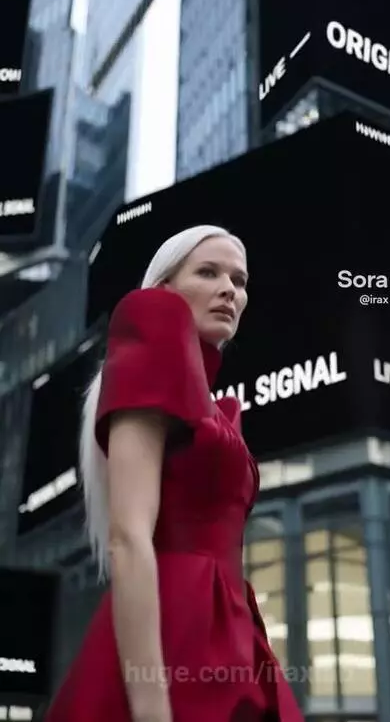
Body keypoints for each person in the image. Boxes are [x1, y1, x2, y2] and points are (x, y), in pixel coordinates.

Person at [45, 225, 305, 722]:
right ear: (162, 289)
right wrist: (150, 705)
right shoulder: (152, 336)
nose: (230, 288)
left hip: (230, 626)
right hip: (173, 630)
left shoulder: (220, 408)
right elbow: (128, 536)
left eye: (239, 279)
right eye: (207, 272)